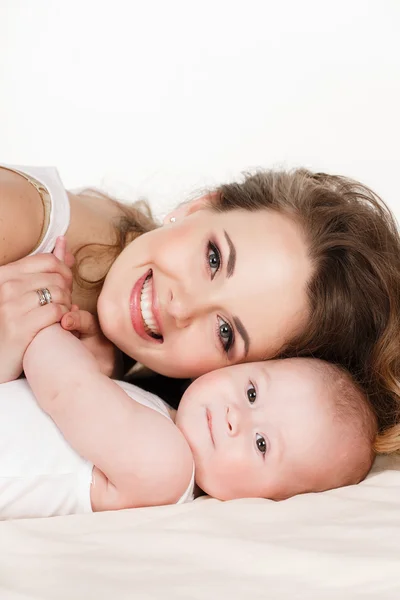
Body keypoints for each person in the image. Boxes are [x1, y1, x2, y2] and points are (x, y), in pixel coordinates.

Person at [0, 163, 399, 452]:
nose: (180, 308)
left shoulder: (114, 376)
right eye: (213, 259)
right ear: (198, 208)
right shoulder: (23, 216)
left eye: (225, 333)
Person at [2, 313, 376, 519]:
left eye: (261, 444)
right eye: (251, 392)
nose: (235, 418)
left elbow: (68, 390)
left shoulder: (168, 466)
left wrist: (43, 318)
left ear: (264, 500)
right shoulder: (159, 416)